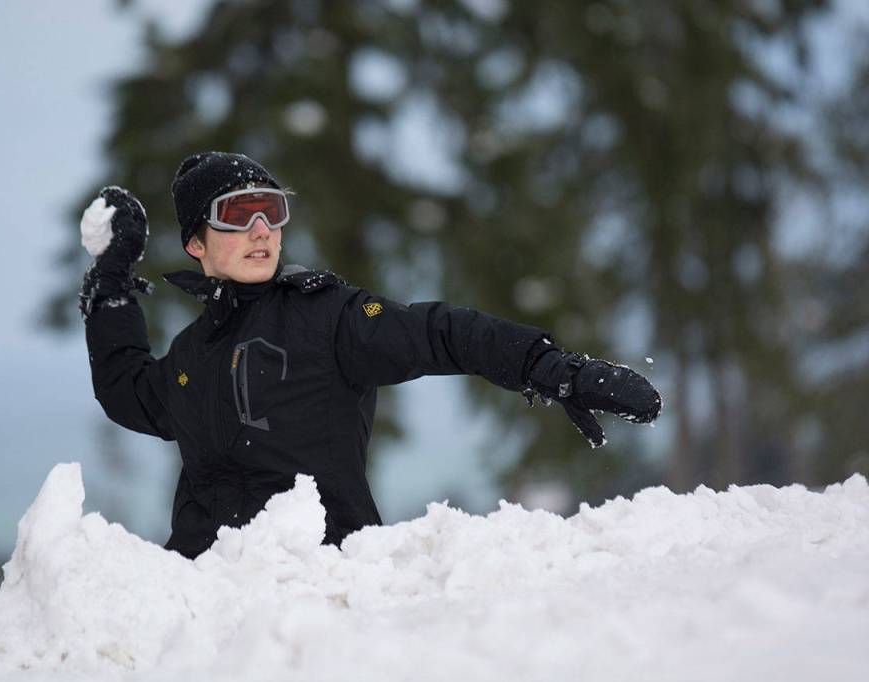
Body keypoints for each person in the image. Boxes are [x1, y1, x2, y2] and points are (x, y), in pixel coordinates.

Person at [79, 152, 662, 559]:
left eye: (272, 210)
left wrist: (553, 369)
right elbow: (125, 389)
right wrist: (110, 281)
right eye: (237, 214)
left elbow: (440, 332)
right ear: (195, 243)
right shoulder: (190, 356)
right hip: (210, 603)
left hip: (326, 595)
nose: (262, 229)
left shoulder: (326, 317)